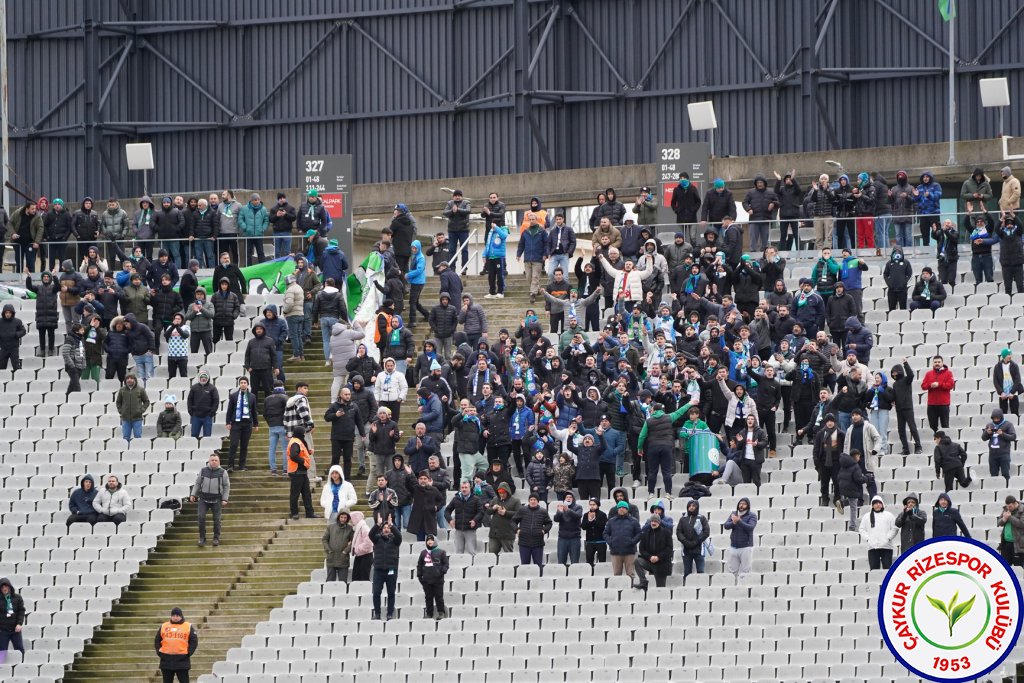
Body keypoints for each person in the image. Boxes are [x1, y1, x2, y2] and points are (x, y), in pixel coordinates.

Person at [189, 454, 229, 547]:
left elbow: (226, 486)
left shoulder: (223, 472)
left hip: (217, 499)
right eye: (212, 460)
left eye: (216, 460)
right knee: (201, 517)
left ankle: (216, 538)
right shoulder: (203, 471)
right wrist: (193, 494)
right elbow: (198, 483)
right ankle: (202, 538)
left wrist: (225, 499)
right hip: (203, 499)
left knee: (217, 519)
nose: (214, 462)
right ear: (209, 461)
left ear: (218, 462)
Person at [369, 520, 403, 620]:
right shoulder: (377, 539)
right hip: (378, 570)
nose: (386, 529)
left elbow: (399, 536)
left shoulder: (395, 540)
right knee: (376, 593)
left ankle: (390, 614)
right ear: (381, 530)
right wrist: (377, 524)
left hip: (391, 570)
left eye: (388, 528)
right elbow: (370, 534)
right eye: (384, 528)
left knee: (391, 593)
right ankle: (377, 613)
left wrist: (392, 525)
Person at [154, 607, 197, 683]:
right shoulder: (164, 626)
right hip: (166, 660)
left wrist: (189, 652)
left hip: (182, 660)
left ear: (181, 616)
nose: (175, 617)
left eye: (177, 616)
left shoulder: (188, 626)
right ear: (171, 616)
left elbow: (194, 641)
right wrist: (159, 652)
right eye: (173, 616)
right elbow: (157, 640)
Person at [225, 377, 259, 471]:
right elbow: (230, 410)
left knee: (244, 446)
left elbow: (254, 411)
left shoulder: (252, 396)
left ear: (247, 384)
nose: (243, 384)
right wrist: (228, 422)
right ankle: (230, 465)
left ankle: (241, 466)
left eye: (245, 382)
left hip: (247, 424)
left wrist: (256, 424)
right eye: (241, 382)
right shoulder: (233, 396)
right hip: (236, 423)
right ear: (239, 384)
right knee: (234, 444)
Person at [513, 492, 552, 572]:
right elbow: (513, 521)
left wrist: (544, 531)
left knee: (538, 566)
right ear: (529, 501)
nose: (533, 501)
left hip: (538, 543)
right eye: (531, 499)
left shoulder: (543, 511)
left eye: (534, 500)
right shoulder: (522, 510)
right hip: (524, 543)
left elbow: (549, 523)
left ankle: (539, 582)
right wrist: (517, 530)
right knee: (524, 566)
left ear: (537, 501)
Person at [604, 500, 642, 583]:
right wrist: (611, 542)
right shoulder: (611, 521)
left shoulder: (634, 521)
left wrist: (632, 542)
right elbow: (605, 533)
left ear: (627, 509)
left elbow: (639, 533)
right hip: (615, 552)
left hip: (629, 552)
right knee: (617, 574)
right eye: (620, 507)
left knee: (630, 574)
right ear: (617, 509)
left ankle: (631, 591)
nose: (621, 509)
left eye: (624, 507)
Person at [856, 496, 897, 570]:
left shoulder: (889, 515)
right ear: (872, 505)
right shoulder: (866, 516)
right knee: (874, 570)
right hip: (872, 547)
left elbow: (895, 528)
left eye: (879, 503)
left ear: (882, 504)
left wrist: (888, 538)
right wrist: (868, 539)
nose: (877, 505)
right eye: (875, 503)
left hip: (887, 547)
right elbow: (862, 529)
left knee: (887, 570)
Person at [634, 513, 673, 589]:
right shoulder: (646, 533)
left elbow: (669, 549)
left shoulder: (666, 533)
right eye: (652, 521)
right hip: (650, 561)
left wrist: (658, 557)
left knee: (660, 588)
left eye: (655, 521)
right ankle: (643, 582)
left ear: (659, 522)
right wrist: (650, 557)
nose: (653, 523)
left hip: (662, 564)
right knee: (637, 561)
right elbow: (642, 549)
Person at [287, 424, 318, 520]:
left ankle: (310, 512)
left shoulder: (298, 441)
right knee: (295, 494)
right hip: (296, 471)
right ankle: (294, 513)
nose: (304, 434)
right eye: (303, 432)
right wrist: (304, 462)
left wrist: (308, 453)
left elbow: (300, 453)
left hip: (302, 472)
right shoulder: (295, 442)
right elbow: (293, 455)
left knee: (306, 493)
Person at [445, 479, 484, 554]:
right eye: (462, 487)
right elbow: (447, 511)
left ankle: (473, 565)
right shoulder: (456, 499)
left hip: (470, 529)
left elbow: (481, 512)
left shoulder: (476, 499)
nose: (464, 489)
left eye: (466, 487)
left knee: (471, 551)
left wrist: (475, 520)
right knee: (458, 552)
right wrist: (450, 520)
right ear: (460, 488)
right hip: (458, 530)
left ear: (470, 488)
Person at [723, 497, 757, 579]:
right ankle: (732, 588)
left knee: (746, 571)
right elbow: (726, 526)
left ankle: (745, 589)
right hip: (733, 546)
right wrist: (733, 522)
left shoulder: (752, 515)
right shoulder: (734, 514)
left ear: (748, 506)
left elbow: (750, 527)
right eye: (740, 503)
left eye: (744, 504)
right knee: (732, 571)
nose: (741, 505)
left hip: (746, 547)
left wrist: (739, 521)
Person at [417, 535, 449, 620]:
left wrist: (441, 572)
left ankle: (441, 612)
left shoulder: (441, 552)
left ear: (435, 541)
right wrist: (420, 577)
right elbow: (419, 565)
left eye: (431, 540)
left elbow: (446, 564)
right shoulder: (423, 553)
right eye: (428, 540)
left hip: (438, 580)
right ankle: (429, 614)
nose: (430, 541)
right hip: (427, 580)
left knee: (439, 597)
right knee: (428, 598)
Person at [982, 408, 1016, 486]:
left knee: (1005, 474)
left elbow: (1013, 437)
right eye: (994, 418)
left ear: (1001, 417)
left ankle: (1006, 489)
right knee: (993, 475)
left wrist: (1002, 434)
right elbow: (983, 438)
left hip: (1004, 454)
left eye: (998, 418)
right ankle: (994, 491)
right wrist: (987, 433)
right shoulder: (989, 425)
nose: (996, 420)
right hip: (992, 454)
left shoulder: (1008, 424)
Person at [517, 216, 547, 303]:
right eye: (530, 219)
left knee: (535, 276)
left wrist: (545, 254)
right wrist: (519, 254)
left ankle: (532, 294)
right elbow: (521, 244)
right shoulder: (525, 232)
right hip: (527, 258)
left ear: (536, 220)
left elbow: (546, 244)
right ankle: (537, 290)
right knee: (528, 277)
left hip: (538, 258)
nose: (531, 221)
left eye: (533, 219)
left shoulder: (542, 231)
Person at [676, 500, 710, 577]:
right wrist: (685, 542)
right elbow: (679, 532)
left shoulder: (702, 518)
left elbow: (706, 532)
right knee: (687, 573)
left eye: (693, 506)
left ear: (697, 507)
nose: (691, 507)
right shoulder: (682, 519)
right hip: (686, 549)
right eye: (690, 506)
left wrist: (696, 542)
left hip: (699, 549)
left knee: (700, 572)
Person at [921, 355, 955, 433]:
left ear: (942, 363)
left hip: (944, 404)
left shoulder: (949, 373)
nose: (937, 363)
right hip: (931, 405)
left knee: (945, 426)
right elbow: (923, 386)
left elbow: (950, 385)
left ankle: (946, 444)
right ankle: (935, 442)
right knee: (932, 426)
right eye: (935, 362)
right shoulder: (928, 374)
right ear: (933, 363)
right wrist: (930, 385)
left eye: (939, 362)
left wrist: (939, 384)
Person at [116, 373, 150, 442]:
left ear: (134, 380)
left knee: (137, 437)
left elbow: (146, 401)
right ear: (125, 380)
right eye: (127, 378)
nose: (129, 380)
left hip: (137, 418)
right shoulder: (122, 390)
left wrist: (141, 410)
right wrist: (121, 411)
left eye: (131, 378)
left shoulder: (140, 389)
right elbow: (118, 402)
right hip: (125, 419)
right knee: (125, 437)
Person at [322, 510, 354, 583]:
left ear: (347, 518)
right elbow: (324, 539)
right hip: (331, 557)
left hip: (343, 559)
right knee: (330, 581)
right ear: (338, 517)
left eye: (345, 518)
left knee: (343, 582)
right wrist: (329, 550)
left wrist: (345, 551)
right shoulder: (330, 527)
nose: (343, 519)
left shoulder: (350, 528)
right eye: (341, 517)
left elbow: (353, 541)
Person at [443, 189, 471, 270]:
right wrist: (452, 210)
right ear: (453, 197)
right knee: (451, 250)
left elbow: (468, 211)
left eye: (459, 196)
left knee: (464, 250)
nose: (457, 197)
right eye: (456, 196)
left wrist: (458, 209)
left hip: (464, 230)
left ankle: (464, 268)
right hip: (452, 231)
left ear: (461, 197)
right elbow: (445, 213)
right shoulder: (450, 203)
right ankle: (452, 268)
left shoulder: (466, 202)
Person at [186, 371, 219, 440]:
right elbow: (189, 400)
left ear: (208, 378)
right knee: (194, 435)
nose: (203, 379)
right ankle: (194, 449)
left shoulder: (212, 388)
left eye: (205, 377)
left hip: (207, 416)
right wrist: (190, 411)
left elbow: (216, 401)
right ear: (199, 378)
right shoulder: (194, 387)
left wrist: (212, 413)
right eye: (202, 377)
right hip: (196, 416)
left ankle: (206, 450)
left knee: (207, 436)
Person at [0, 577, 26, 661]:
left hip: (15, 630)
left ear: (9, 586)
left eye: (6, 586)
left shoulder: (17, 598)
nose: (4, 588)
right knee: (2, 652)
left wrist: (19, 623)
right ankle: (2, 669)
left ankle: (21, 666)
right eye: (2, 587)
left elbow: (21, 611)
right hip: (3, 630)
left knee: (20, 650)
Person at [993, 348, 1023, 416]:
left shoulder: (1014, 365)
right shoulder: (997, 366)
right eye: (1008, 355)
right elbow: (995, 381)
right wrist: (1001, 392)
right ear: (1004, 356)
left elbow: (1017, 380)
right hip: (1003, 393)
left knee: (1015, 412)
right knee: (1003, 413)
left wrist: (1012, 392)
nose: (1010, 356)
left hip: (1013, 392)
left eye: (1010, 354)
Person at [997, 495, 1024, 567]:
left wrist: (1010, 517)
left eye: (1010, 506)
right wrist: (1004, 519)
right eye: (1007, 506)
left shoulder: (1022, 509)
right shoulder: (1006, 509)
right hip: (1006, 543)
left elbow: (1022, 524)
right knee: (1004, 567)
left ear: (1015, 503)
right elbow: (999, 522)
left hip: (1019, 543)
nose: (1008, 508)